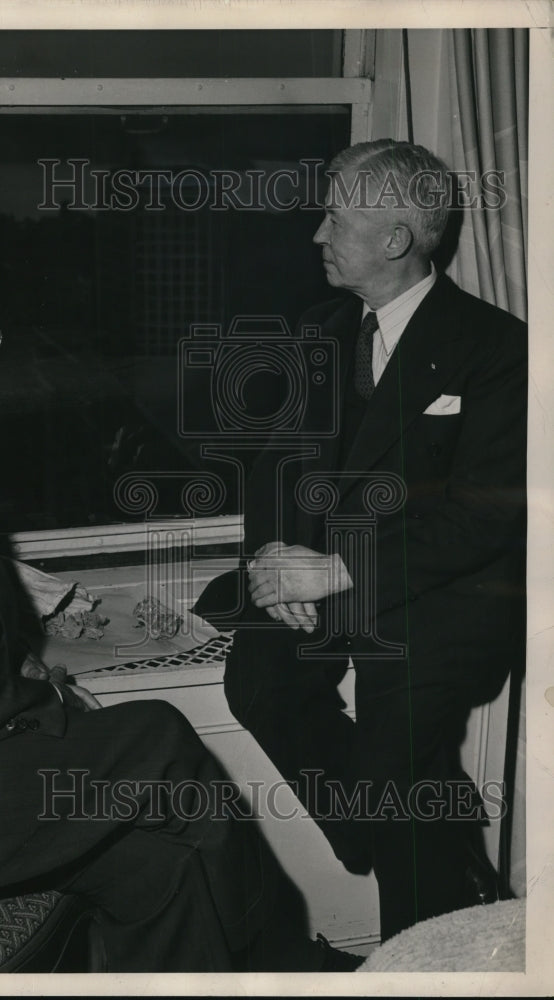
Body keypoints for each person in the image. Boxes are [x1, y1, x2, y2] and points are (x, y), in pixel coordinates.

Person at [0, 265, 363, 972]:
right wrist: (48, 699)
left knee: (162, 870)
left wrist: (27, 671)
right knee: (156, 735)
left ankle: (244, 968)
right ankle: (280, 962)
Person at [215, 140, 527, 942]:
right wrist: (280, 570)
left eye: (334, 218)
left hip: (444, 596)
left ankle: (419, 947)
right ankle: (415, 843)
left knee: (396, 761)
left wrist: (339, 571)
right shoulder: (317, 332)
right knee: (260, 681)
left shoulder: (499, 349)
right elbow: (274, 473)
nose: (317, 235)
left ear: (395, 239)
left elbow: (487, 515)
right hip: (325, 581)